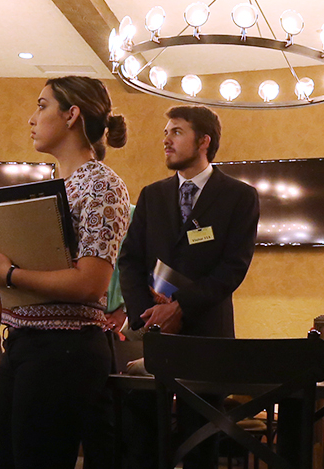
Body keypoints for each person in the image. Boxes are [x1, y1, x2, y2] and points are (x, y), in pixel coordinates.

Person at [0, 76, 130, 469]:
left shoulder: (101, 184)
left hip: (65, 350)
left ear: (71, 115)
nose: (32, 118)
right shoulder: (51, 184)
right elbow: (8, 265)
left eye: (42, 105)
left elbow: (90, 282)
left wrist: (10, 274)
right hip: (25, 343)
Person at [117, 105, 259, 469]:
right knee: (144, 441)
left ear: (204, 141)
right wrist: (146, 315)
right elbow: (130, 260)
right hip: (156, 336)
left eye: (176, 131)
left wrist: (179, 306)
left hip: (208, 339)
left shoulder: (239, 196)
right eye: (166, 131)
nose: (166, 139)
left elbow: (233, 268)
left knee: (202, 446)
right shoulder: (152, 195)